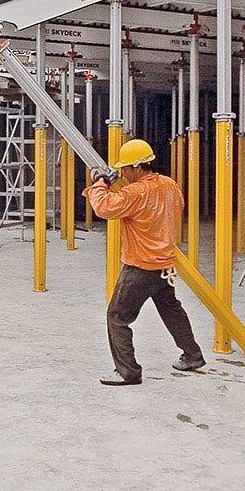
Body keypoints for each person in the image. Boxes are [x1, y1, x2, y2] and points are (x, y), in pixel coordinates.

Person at [84, 138, 205, 386]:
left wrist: (99, 183)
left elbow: (104, 208)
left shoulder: (135, 192)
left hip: (141, 266)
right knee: (171, 309)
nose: (123, 173)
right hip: (164, 263)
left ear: (138, 167)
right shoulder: (169, 185)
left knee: (117, 316)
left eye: (125, 168)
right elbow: (177, 206)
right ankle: (192, 355)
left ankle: (128, 372)